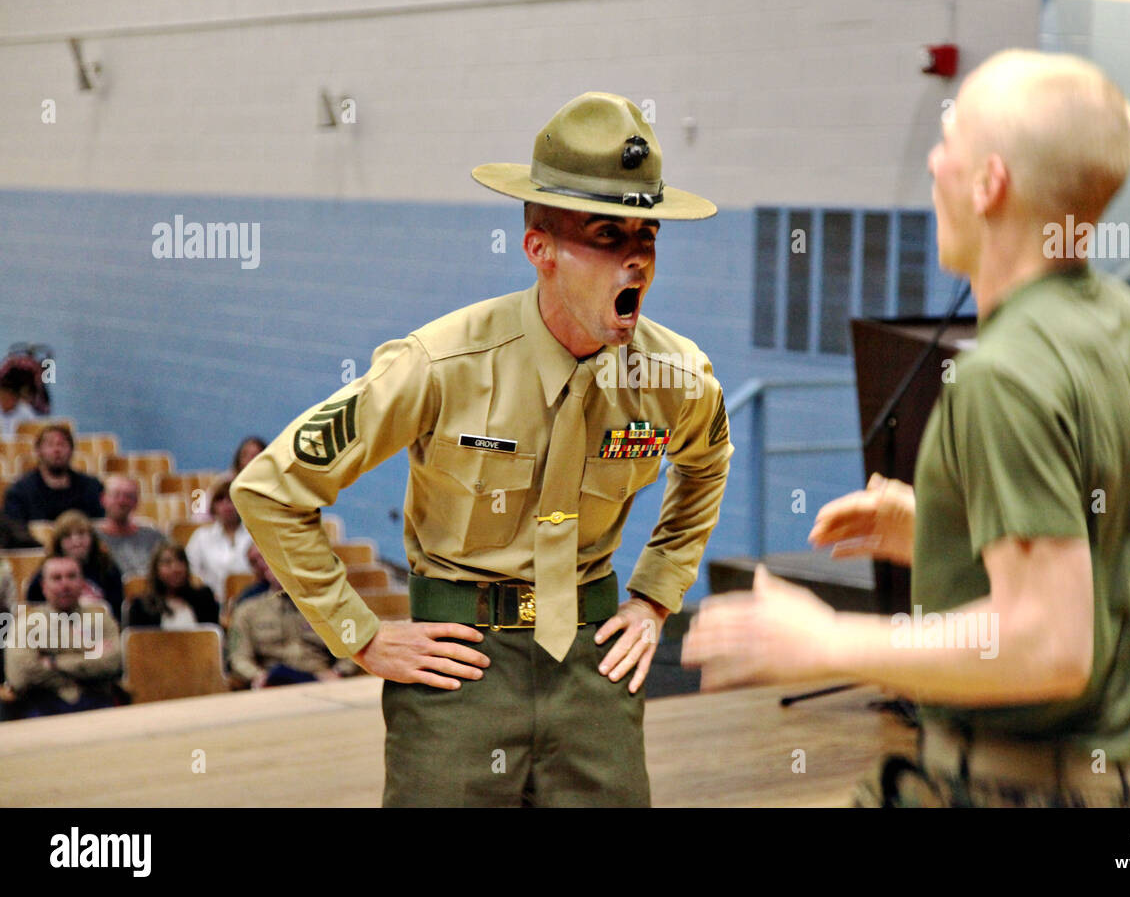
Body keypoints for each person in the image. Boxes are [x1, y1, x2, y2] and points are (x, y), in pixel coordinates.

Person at [683, 50, 1130, 809]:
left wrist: (826, 642)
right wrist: (952, 531)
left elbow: (1047, 646)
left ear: (989, 181)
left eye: (949, 140)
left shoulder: (1002, 374)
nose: (933, 163)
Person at [232, 91, 732, 806]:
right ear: (540, 250)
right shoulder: (440, 364)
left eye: (645, 238)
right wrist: (361, 634)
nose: (636, 262)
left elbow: (706, 464)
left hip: (593, 665)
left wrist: (654, 597)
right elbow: (270, 489)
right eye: (606, 237)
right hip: (459, 667)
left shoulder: (675, 377)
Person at [4, 556, 123, 717]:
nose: (65, 584)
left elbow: (112, 664)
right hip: (43, 704)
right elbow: (20, 676)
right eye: (56, 578)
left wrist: (53, 661)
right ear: (44, 586)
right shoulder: (26, 623)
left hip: (96, 702)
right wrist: (87, 653)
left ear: (82, 583)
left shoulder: (102, 620)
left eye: (71, 576)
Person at [227, 563, 359, 688]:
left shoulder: (331, 606)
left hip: (321, 680)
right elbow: (238, 658)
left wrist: (338, 672)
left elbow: (353, 648)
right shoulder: (247, 612)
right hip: (272, 684)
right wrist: (258, 676)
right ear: (267, 571)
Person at [25, 509, 125, 622]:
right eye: (68, 536)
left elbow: (116, 613)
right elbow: (33, 607)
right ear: (59, 542)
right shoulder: (46, 570)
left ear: (92, 538)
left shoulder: (107, 568)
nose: (76, 541)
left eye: (81, 534)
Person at [2, 423, 104, 524]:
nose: (57, 450)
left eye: (62, 444)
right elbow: (14, 531)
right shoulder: (20, 492)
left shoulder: (91, 488)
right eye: (50, 445)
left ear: (71, 450)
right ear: (38, 451)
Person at [185, 477, 252, 603]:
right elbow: (190, 571)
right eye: (220, 500)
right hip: (211, 602)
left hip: (251, 600)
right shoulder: (201, 537)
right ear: (213, 506)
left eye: (231, 499)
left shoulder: (255, 535)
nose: (226, 505)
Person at [124, 542, 220, 629]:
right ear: (156, 570)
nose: (176, 568)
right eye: (167, 563)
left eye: (180, 561)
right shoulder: (141, 607)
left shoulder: (204, 599)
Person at [97, 475, 166, 577]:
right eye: (116, 495)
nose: (121, 501)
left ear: (136, 502)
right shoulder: (90, 537)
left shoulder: (154, 537)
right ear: (103, 499)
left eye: (128, 496)